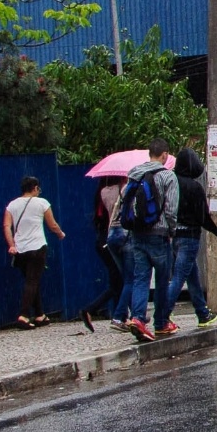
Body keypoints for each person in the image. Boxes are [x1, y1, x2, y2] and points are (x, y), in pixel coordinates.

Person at [116, 140, 179, 344]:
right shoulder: (168, 176)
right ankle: (161, 323)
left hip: (137, 234)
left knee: (140, 278)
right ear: (165, 155)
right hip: (159, 235)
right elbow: (170, 209)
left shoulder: (134, 174)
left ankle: (137, 318)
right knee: (162, 281)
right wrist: (171, 230)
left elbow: (124, 202)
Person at [165, 148, 217, 329]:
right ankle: (163, 314)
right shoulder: (194, 187)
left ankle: (202, 313)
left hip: (175, 236)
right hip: (190, 237)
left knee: (192, 275)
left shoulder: (171, 183)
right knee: (180, 276)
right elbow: (203, 217)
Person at [3, 176, 64, 329]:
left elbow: (6, 226)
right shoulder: (42, 203)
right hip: (37, 246)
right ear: (35, 188)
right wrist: (60, 233)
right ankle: (23, 315)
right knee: (32, 281)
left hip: (20, 249)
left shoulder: (12, 205)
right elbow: (52, 224)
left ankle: (40, 315)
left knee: (32, 280)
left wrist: (12, 245)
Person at [80, 179, 124, 333]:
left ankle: (120, 315)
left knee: (118, 280)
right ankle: (113, 315)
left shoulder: (101, 193)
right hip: (111, 239)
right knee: (120, 280)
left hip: (102, 239)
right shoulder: (116, 192)